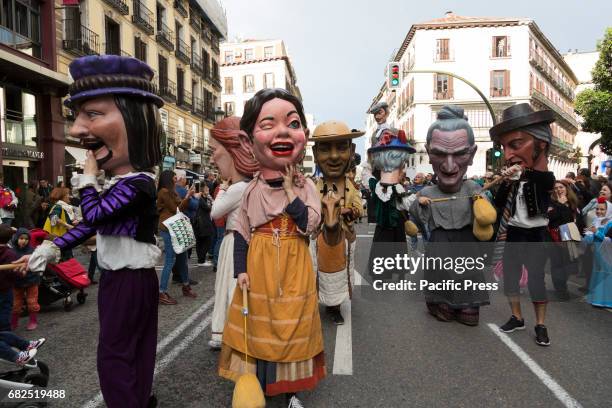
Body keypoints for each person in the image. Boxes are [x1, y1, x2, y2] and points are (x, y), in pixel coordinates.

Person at [19, 55, 164, 408]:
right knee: (137, 348)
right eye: (78, 116)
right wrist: (49, 249)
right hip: (133, 280)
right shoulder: (126, 182)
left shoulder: (138, 182)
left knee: (115, 354)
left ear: (137, 120)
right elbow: (93, 223)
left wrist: (87, 178)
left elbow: (95, 215)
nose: (76, 130)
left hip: (127, 281)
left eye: (93, 115)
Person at [218, 88, 324, 407]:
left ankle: (290, 392)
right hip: (260, 265)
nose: (282, 131)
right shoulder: (251, 190)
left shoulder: (307, 188)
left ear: (302, 135)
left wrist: (292, 193)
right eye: (268, 124)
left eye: (292, 123)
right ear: (249, 142)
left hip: (294, 266)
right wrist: (240, 271)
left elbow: (309, 225)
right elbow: (241, 235)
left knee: (291, 324)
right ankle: (262, 385)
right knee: (260, 324)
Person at [409, 106, 491, 325]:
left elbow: (487, 216)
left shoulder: (473, 188)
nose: (449, 165)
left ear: (472, 154)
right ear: (428, 152)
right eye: (439, 153)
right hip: (440, 242)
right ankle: (440, 303)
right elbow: (414, 219)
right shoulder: (426, 192)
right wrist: (420, 205)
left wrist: (481, 204)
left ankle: (467, 304)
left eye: (460, 153)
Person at [489, 103, 556, 346]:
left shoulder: (544, 177)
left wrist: (520, 175)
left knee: (537, 281)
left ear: (542, 145)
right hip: (514, 234)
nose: (508, 155)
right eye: (505, 147)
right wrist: (504, 182)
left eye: (515, 145)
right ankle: (517, 317)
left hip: (535, 235)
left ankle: (541, 324)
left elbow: (542, 183)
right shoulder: (513, 177)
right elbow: (497, 204)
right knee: (510, 278)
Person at [206, 115, 258, 350]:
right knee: (230, 288)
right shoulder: (248, 186)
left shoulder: (237, 187)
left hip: (233, 240)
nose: (211, 157)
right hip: (239, 240)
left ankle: (228, 332)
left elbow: (216, 212)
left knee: (229, 288)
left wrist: (223, 187)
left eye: (213, 150)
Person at [311, 120, 364, 325]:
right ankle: (320, 302)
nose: (334, 156)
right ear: (315, 154)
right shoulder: (313, 187)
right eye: (325, 149)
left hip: (344, 240)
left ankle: (335, 306)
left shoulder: (351, 188)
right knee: (321, 272)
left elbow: (360, 209)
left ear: (351, 151)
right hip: (320, 240)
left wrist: (349, 211)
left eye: (341, 148)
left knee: (340, 274)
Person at [157, 170, 197, 304]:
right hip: (168, 229)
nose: (176, 179)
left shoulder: (171, 191)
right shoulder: (164, 192)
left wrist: (188, 196)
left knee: (182, 257)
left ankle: (186, 286)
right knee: (170, 259)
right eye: (174, 177)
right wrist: (187, 197)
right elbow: (177, 209)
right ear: (169, 178)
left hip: (174, 228)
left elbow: (180, 208)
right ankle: (161, 292)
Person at [547, 180, 580, 301]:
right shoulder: (551, 203)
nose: (558, 190)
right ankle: (560, 289)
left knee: (568, 265)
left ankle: (562, 285)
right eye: (555, 188)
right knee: (557, 264)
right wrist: (560, 205)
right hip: (555, 239)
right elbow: (551, 219)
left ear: (566, 188)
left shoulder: (573, 202)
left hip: (569, 238)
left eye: (561, 187)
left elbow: (572, 220)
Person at [583, 198, 612, 308]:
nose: (599, 211)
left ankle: (607, 301)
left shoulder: (610, 223)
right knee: (598, 274)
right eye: (597, 209)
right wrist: (588, 236)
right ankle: (597, 299)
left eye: (602, 209)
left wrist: (596, 233)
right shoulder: (596, 220)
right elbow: (590, 239)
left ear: (608, 210)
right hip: (597, 253)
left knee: (607, 275)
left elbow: (609, 240)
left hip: (607, 255)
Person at [9, 228, 40, 330]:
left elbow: (36, 264)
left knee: (32, 302)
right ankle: (14, 322)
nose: (24, 241)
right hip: (17, 282)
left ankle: (33, 320)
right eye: (21, 238)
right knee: (16, 304)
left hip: (31, 280)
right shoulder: (11, 251)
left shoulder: (32, 250)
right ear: (16, 238)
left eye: (26, 239)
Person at [44, 187, 78, 260]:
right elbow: (53, 217)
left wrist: (74, 222)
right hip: (60, 239)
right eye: (68, 194)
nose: (70, 196)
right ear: (62, 196)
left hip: (66, 238)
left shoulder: (66, 207)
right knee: (65, 260)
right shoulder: (58, 206)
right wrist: (67, 225)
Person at [0, 225, 23, 331]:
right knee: (5, 310)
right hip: (5, 289)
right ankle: (5, 333)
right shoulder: (10, 253)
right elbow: (15, 272)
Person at [193, 184, 215, 265]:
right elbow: (207, 208)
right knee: (206, 241)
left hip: (202, 222)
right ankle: (201, 259)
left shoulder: (204, 198)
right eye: (206, 189)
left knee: (201, 242)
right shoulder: (201, 198)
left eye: (208, 189)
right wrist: (212, 202)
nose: (208, 190)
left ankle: (201, 259)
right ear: (202, 190)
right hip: (202, 223)